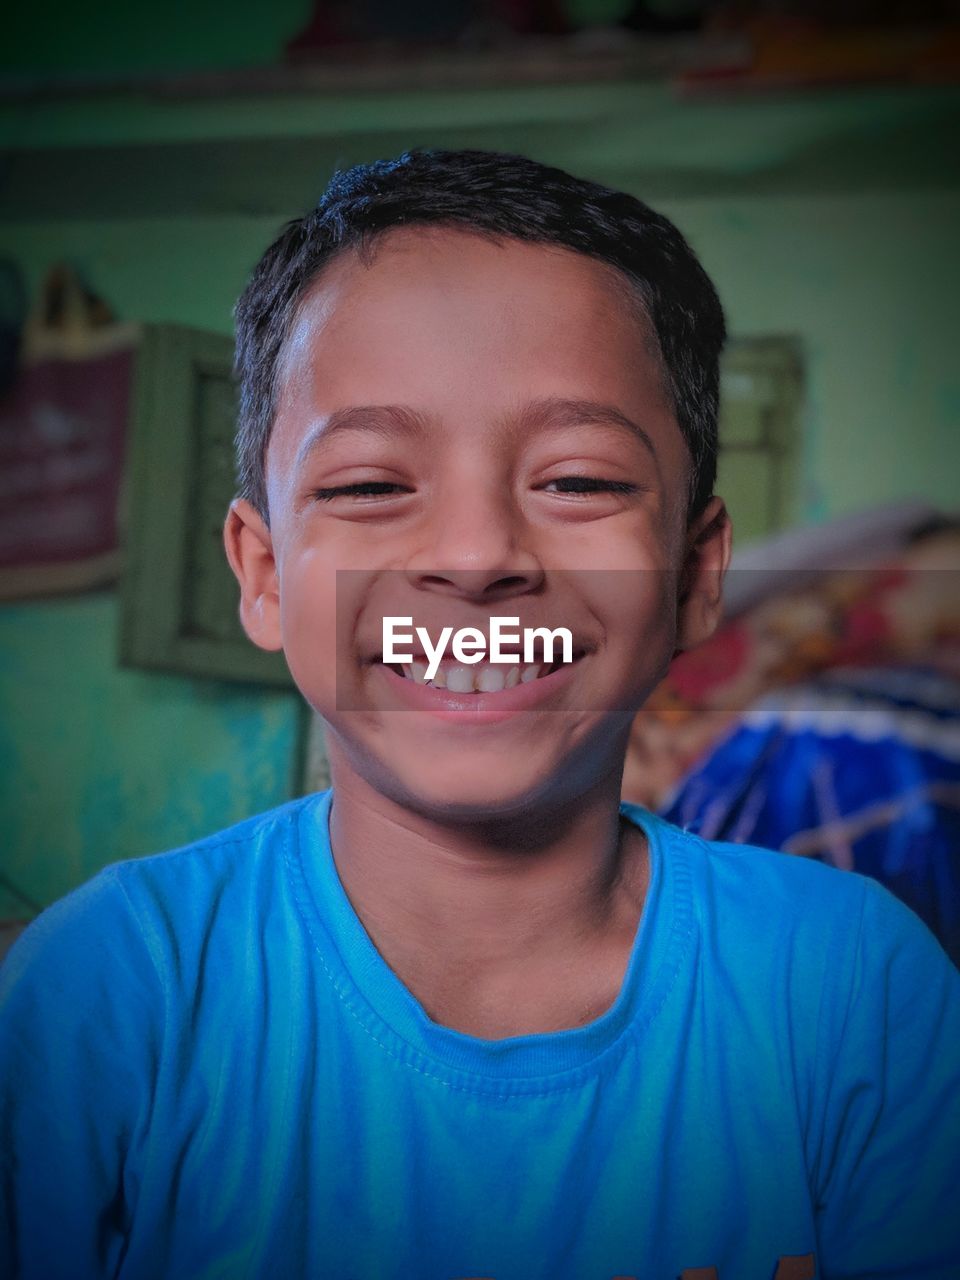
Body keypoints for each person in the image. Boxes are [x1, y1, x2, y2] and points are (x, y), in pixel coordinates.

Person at [1, 148, 958, 1280]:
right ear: (261, 573)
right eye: (367, 484)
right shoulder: (113, 987)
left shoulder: (853, 985)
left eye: (580, 480)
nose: (475, 556)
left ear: (698, 572)